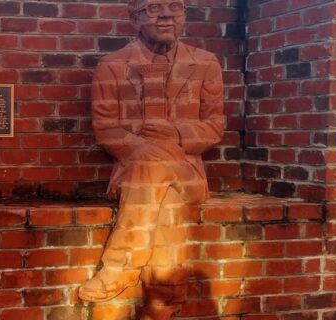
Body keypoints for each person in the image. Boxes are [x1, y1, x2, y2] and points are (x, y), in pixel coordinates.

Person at [82, 0, 224, 317]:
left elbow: (214, 126)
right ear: (134, 18)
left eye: (175, 6)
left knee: (157, 161)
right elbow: (105, 128)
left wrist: (173, 134)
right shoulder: (112, 65)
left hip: (186, 171)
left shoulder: (205, 63)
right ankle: (163, 303)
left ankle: (120, 266)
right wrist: (145, 149)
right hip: (135, 172)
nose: (165, 15)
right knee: (166, 221)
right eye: (153, 7)